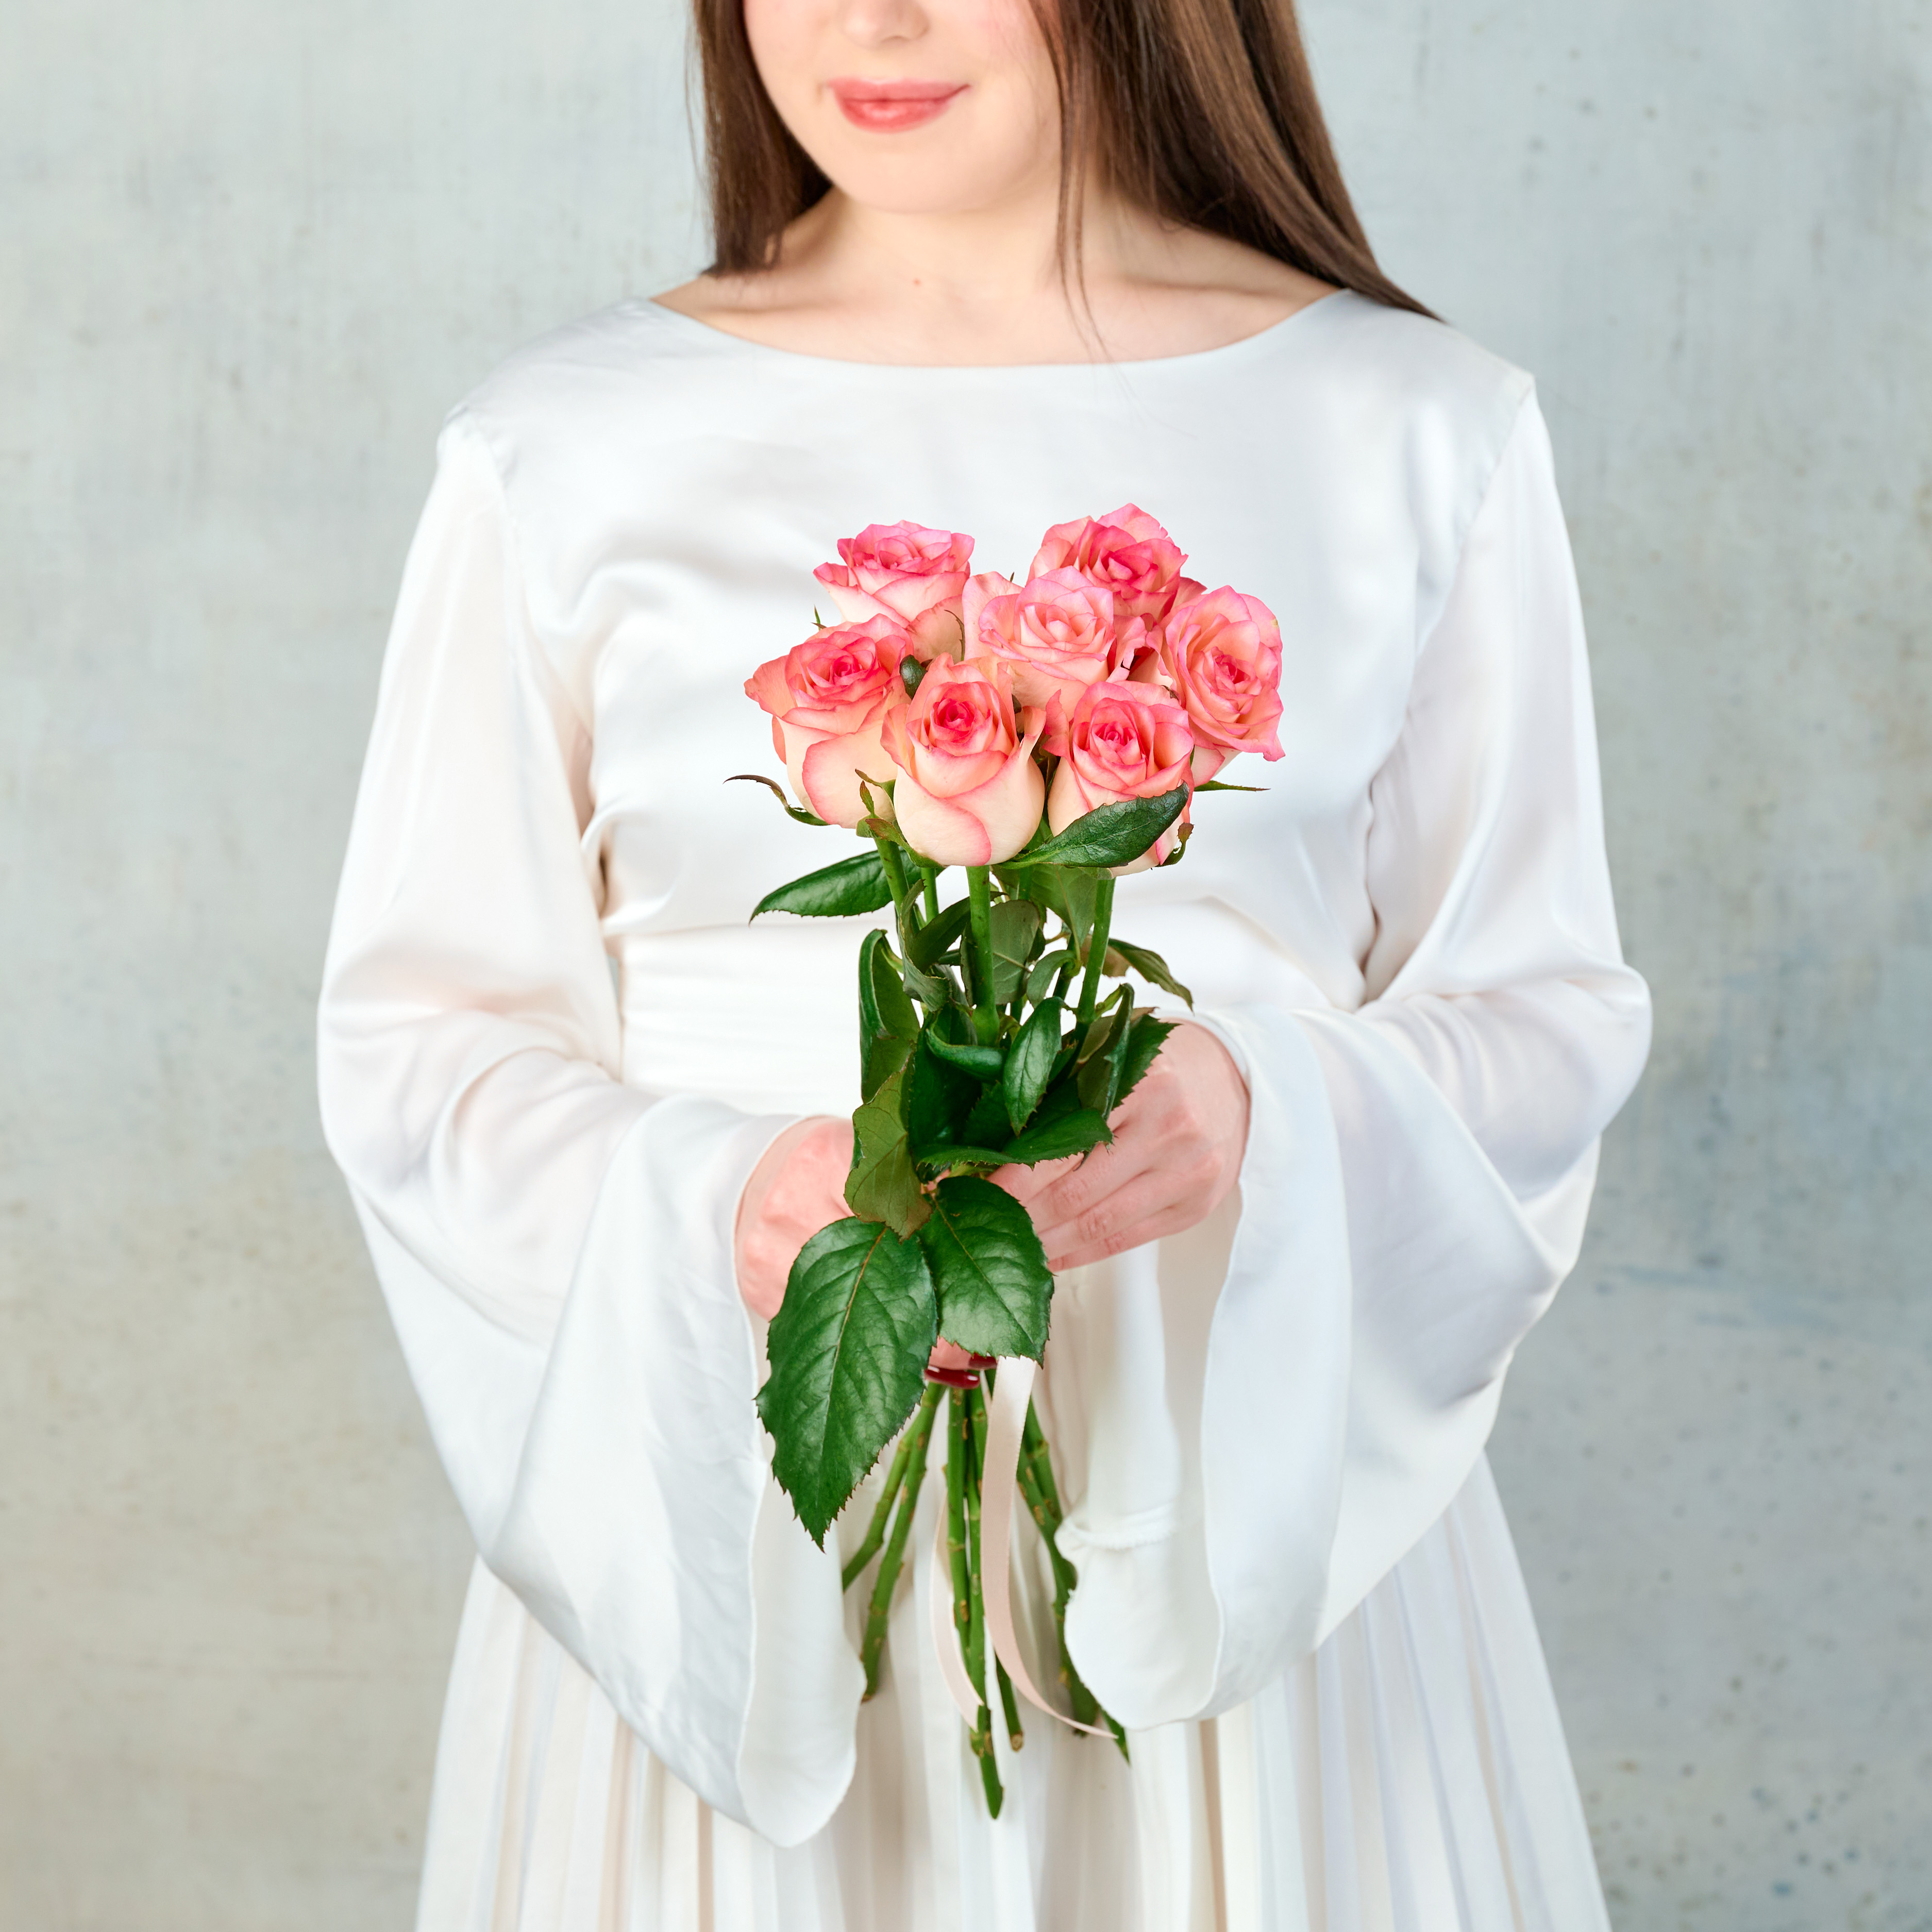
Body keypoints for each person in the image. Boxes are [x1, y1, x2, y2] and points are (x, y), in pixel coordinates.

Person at [316, 0, 1652, 1917]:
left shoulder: (1415, 427)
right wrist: (729, 1209)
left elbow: (1540, 1009)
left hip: (1238, 1519)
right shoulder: (560, 447)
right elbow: (425, 1046)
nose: (876, 22)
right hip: (742, 1518)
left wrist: (1261, 1107)